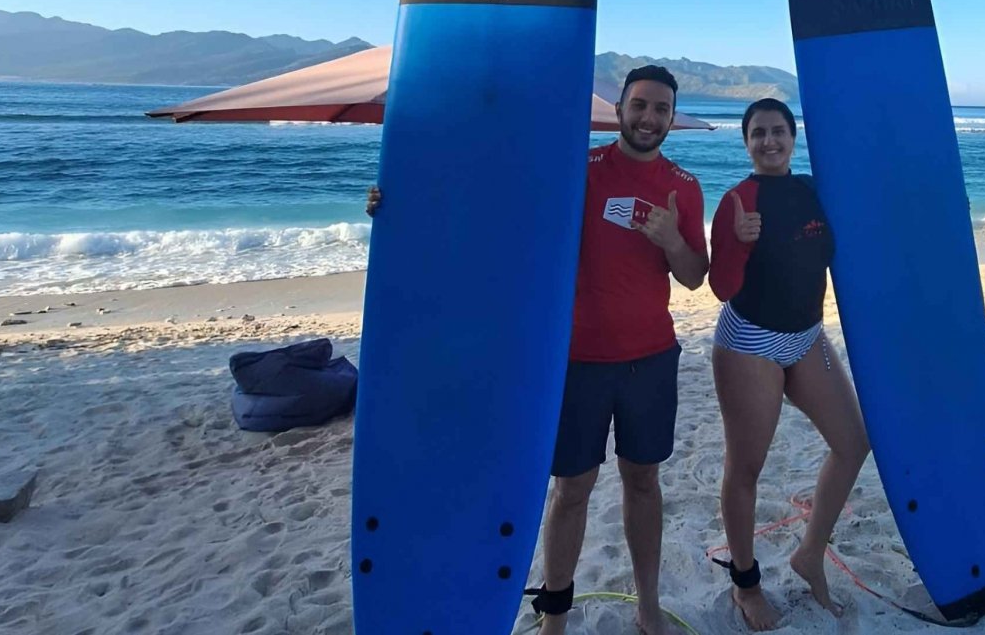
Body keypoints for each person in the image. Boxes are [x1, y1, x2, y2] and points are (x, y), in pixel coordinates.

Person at [364, 64, 708, 635]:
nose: (649, 118)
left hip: (650, 357)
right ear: (620, 108)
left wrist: (672, 239)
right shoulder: (581, 170)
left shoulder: (685, 187)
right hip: (576, 359)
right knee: (572, 488)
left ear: (672, 118)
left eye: (661, 109)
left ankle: (647, 602)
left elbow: (696, 277)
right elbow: (495, 205)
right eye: (640, 105)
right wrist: (400, 202)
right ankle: (555, 614)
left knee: (643, 481)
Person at [706, 97, 870, 631]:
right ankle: (745, 584)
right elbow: (722, 288)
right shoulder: (737, 199)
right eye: (758, 133)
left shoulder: (812, 191)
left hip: (806, 337)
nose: (769, 141)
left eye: (778, 131)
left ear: (793, 138)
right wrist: (737, 241)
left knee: (853, 443)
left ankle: (809, 555)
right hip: (749, 341)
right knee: (746, 469)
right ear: (746, 141)